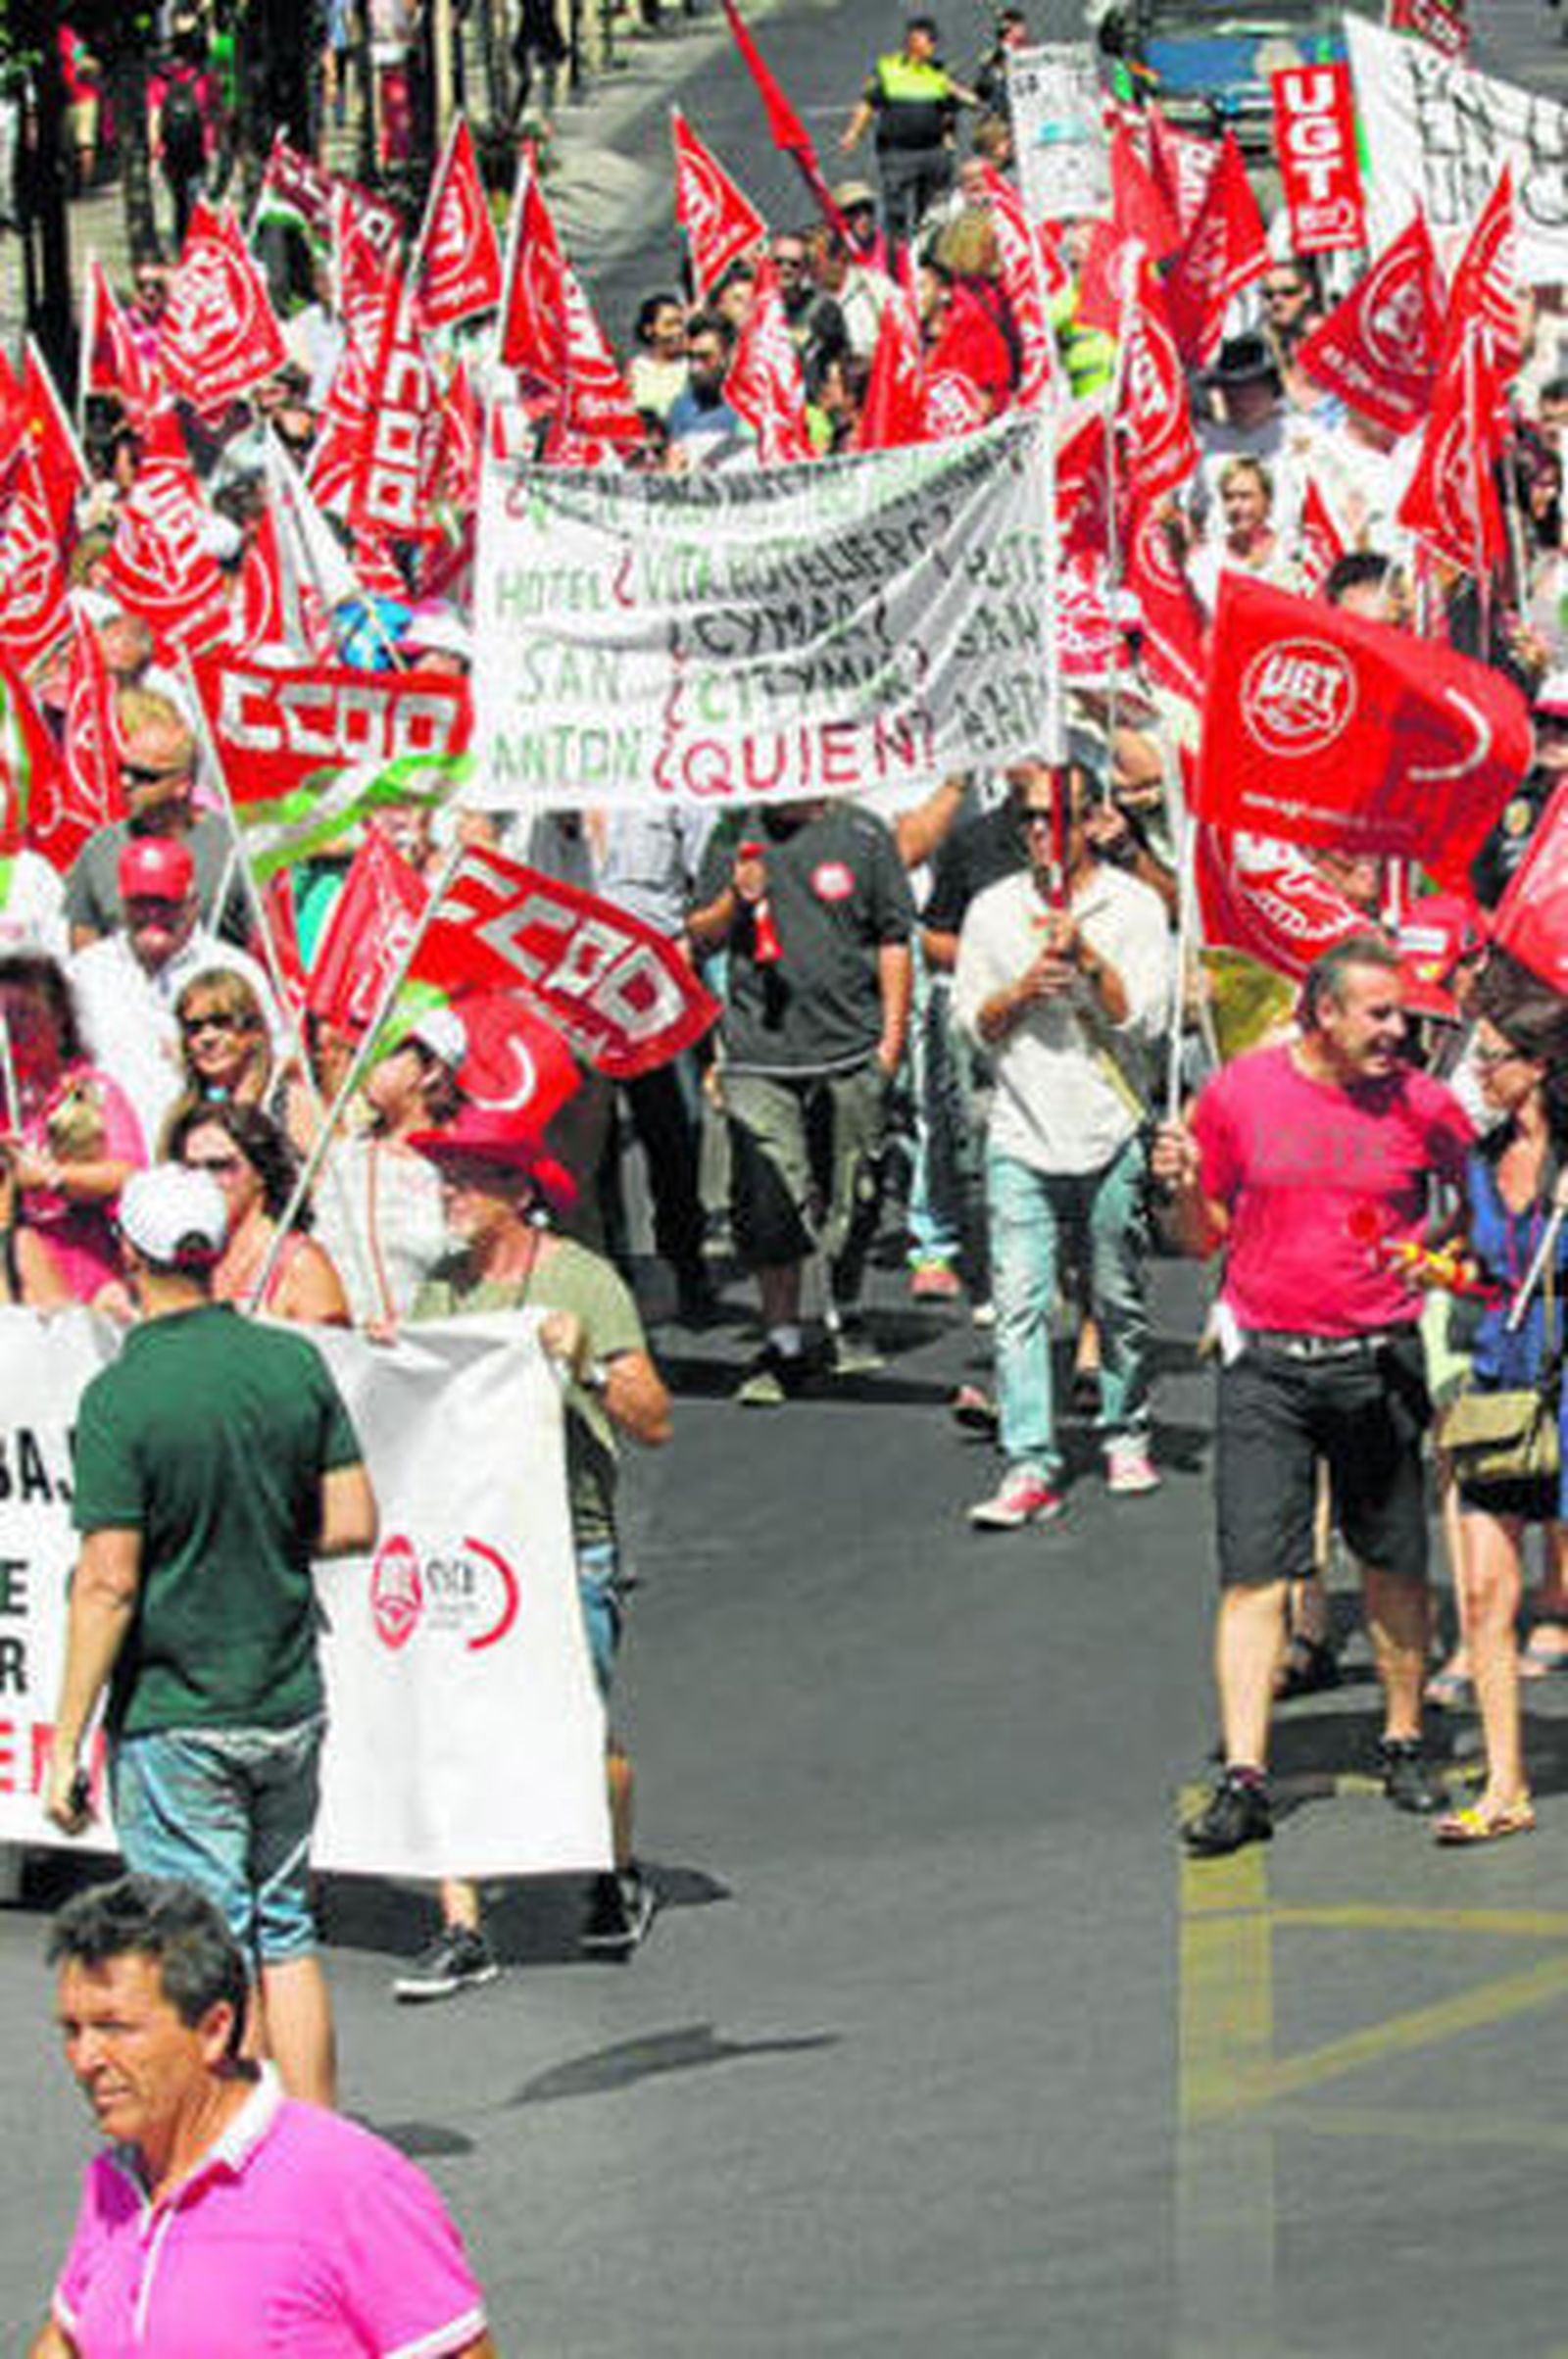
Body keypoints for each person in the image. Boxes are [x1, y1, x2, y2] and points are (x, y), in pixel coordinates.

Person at [44, 1164, 377, 2105]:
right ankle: (314, 2137)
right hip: (284, 1696)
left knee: (209, 1941)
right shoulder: (291, 1363)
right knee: (286, 1927)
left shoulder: (124, 1396)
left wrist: (65, 1736)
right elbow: (353, 1519)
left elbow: (108, 1581)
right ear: (216, 1248)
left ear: (129, 1253)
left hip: (179, 1709)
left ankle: (251, 2145)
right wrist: (262, 1529)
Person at [1156, 936, 1474, 1855]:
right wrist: (1179, 1188)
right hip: (1268, 1369)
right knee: (1255, 1574)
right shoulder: (1238, 1095)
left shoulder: (1424, 1103)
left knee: (1395, 1564)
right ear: (1322, 1012)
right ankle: (1247, 1775)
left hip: (1380, 1365)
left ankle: (1405, 1738)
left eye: (1402, 1012)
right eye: (1379, 1013)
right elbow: (1198, 1236)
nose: (1398, 1029)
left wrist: (1440, 1251)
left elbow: (1478, 1194)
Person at [393, 1108, 671, 1998]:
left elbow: (653, 1419)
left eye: (468, 1176)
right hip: (468, 1543)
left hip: (565, 1536)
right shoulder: (440, 1285)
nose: (450, 1193)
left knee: (579, 1725)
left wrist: (586, 1362)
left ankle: (611, 1870)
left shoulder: (584, 1282)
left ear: (518, 1189)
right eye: (446, 1177)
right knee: (448, 1727)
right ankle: (462, 1921)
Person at [31, 1874, 495, 2358]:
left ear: (214, 2030)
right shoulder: (117, 2179)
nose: (84, 2059)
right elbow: (66, 2342)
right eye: (72, 2030)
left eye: (114, 2028)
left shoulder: (350, 2183)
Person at [955, 759, 1169, 1525]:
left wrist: (1087, 961)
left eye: (1057, 816)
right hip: (1020, 1127)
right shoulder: (993, 909)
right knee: (1017, 1302)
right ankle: (1029, 1458)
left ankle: (1125, 1426)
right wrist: (1019, 991)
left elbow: (1142, 1018)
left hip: (1108, 1126)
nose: (1042, 831)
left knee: (1115, 1294)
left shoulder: (1134, 905)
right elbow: (972, 1024)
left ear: (1089, 821)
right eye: (1029, 818)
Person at [688, 799, 915, 1403]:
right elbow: (700, 938)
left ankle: (845, 1305)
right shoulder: (734, 831)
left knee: (855, 1194)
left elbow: (894, 937)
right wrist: (737, 899)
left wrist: (890, 1044)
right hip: (762, 1054)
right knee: (767, 1199)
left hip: (848, 1047)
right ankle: (782, 1336)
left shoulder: (865, 832)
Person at [1432, 992, 1568, 1843]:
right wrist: (1434, 1269)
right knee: (1485, 1591)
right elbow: (1471, 1255)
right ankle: (1505, 1783)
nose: (1477, 1073)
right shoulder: (1479, 1161)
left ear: (1539, 1067)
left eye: (1491, 1058)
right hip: (1499, 1387)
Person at [70, 836, 282, 1151]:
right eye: (140, 902)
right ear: (122, 902)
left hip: (204, 1163)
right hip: (109, 1163)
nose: (152, 915)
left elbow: (275, 1059)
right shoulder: (84, 973)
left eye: (164, 902)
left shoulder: (235, 969)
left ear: (192, 901)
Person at [0, 953, 145, 1302]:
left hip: (86, 1269)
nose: (13, 1028)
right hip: (13, 1271)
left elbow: (129, 1174)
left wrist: (53, 1177)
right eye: (3, 1017)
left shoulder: (92, 1091)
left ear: (59, 1018)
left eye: (25, 1013)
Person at [313, 1007, 468, 1324]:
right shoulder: (345, 1153)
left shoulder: (461, 1172)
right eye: (364, 1046)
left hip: (420, 1353)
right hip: (335, 1346)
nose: (366, 1059)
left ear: (431, 1070)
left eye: (385, 1048)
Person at [66, 689, 249, 951]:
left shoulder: (232, 852)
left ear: (182, 784)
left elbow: (263, 947)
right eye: (124, 770)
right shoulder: (100, 849)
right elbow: (83, 948)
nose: (127, 782)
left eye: (144, 775)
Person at [171, 1101, 351, 1325]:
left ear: (261, 1172)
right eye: (190, 1169)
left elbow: (335, 1355)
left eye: (219, 1166)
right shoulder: (188, 1260)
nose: (203, 1181)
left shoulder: (300, 1265)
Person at [840, 15, 977, 251]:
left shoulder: (938, 73)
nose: (934, 45)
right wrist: (853, 133)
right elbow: (867, 104)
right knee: (896, 211)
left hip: (932, 153)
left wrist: (970, 105)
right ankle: (899, 255)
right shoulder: (889, 69)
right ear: (913, 41)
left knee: (933, 211)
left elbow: (953, 104)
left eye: (935, 41)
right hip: (898, 154)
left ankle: (929, 253)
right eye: (929, 40)